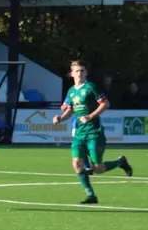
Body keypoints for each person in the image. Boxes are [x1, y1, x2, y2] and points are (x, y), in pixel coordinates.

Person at [52, 60, 133, 204]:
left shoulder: (91, 87)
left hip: (94, 133)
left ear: (86, 73)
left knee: (97, 168)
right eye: (77, 71)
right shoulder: (71, 91)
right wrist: (61, 118)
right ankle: (91, 195)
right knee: (77, 163)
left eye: (82, 70)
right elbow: (70, 109)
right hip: (79, 134)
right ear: (71, 73)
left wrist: (90, 116)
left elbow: (105, 104)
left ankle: (120, 162)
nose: (79, 73)